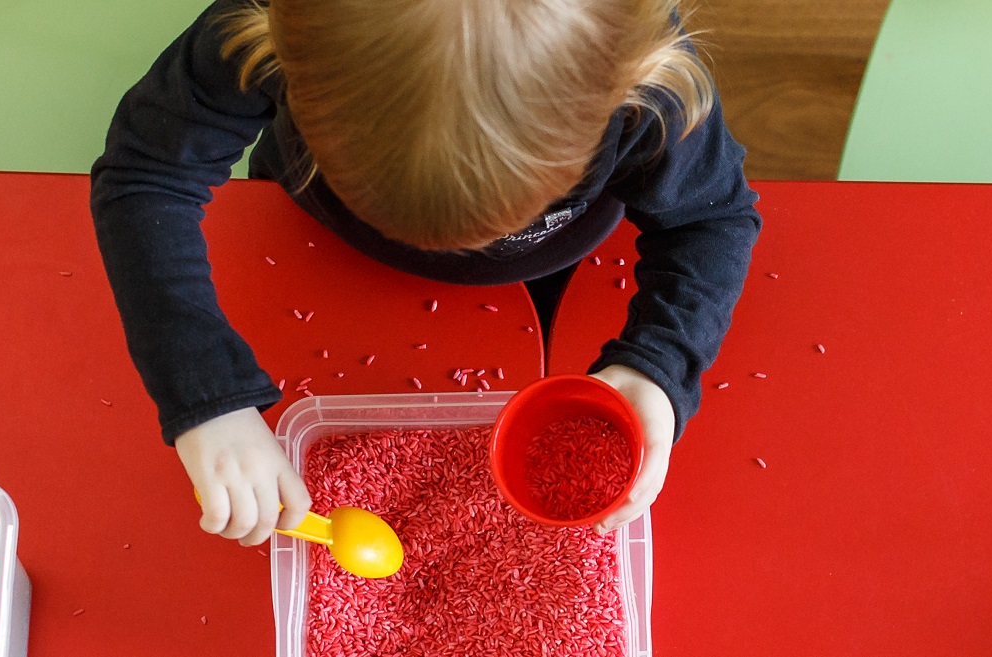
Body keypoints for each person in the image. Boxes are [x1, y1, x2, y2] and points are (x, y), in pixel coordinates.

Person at [91, 0, 760, 548]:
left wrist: (658, 365)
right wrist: (206, 394)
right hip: (312, 249)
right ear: (280, 51)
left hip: (550, 273)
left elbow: (712, 219)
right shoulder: (262, 23)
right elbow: (146, 174)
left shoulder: (654, 85)